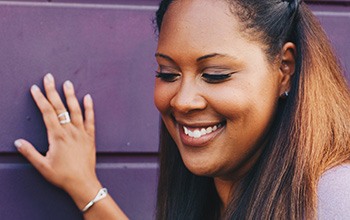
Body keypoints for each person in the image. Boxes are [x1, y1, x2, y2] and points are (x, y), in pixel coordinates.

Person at [14, 0, 350, 219]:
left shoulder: (332, 201)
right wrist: (85, 187)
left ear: (284, 68)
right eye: (168, 73)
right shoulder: (215, 189)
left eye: (215, 75)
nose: (182, 99)